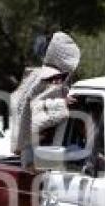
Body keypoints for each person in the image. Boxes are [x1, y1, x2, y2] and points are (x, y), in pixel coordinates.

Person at [9, 31, 81, 168]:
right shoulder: (48, 77)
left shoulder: (44, 75)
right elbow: (35, 107)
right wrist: (62, 103)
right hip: (36, 151)